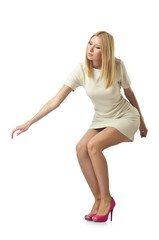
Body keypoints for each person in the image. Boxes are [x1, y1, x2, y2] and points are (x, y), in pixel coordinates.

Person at [11, 31, 148, 222]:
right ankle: (98, 198)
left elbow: (129, 93)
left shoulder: (117, 65)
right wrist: (29, 122)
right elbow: (55, 101)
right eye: (89, 43)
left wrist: (142, 121)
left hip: (125, 116)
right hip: (101, 118)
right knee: (81, 148)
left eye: (97, 47)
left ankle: (107, 200)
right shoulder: (82, 70)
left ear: (106, 51)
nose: (90, 49)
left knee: (94, 146)